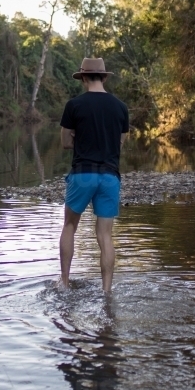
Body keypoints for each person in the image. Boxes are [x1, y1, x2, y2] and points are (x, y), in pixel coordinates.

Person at [58, 57, 129, 293]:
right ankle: (106, 291)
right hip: (110, 177)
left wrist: (81, 138)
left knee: (69, 226)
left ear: (83, 78)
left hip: (82, 175)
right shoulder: (121, 107)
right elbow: (120, 143)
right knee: (105, 236)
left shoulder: (74, 105)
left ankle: (65, 283)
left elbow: (65, 142)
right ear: (105, 77)